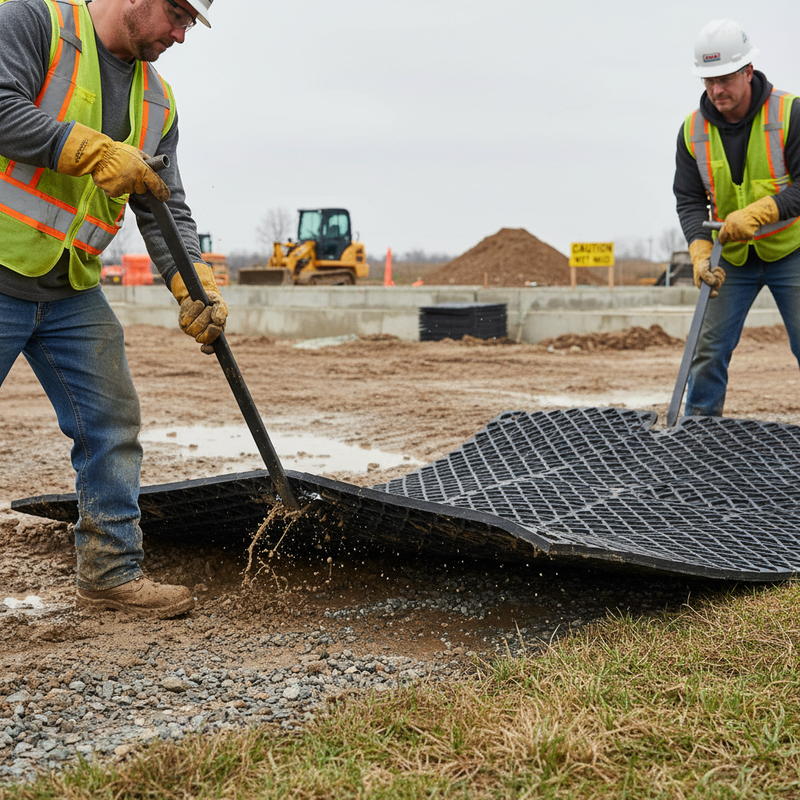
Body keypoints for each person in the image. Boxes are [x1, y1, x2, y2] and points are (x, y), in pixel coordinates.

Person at [0, 0, 229, 618]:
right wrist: (93, 150)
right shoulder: (32, 23)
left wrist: (192, 285)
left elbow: (164, 204)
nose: (182, 35)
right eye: (177, 15)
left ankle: (110, 573)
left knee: (111, 425)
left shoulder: (158, 101)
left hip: (69, 287)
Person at [674, 19, 800, 417]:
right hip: (732, 259)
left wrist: (763, 211)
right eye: (708, 80)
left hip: (791, 250)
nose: (716, 90)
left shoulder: (791, 114)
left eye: (725, 78)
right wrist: (699, 249)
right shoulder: (691, 131)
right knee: (707, 349)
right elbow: (689, 199)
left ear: (748, 71)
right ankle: (699, 436)